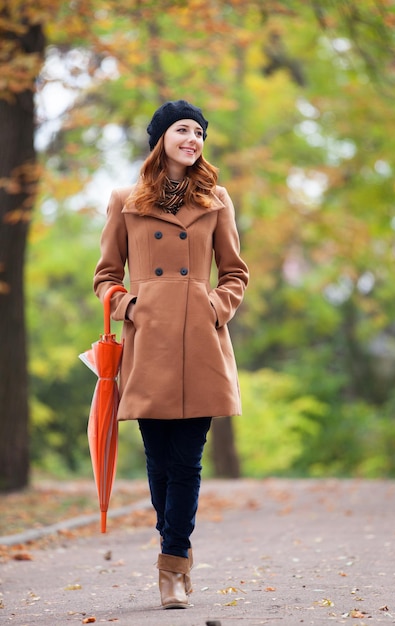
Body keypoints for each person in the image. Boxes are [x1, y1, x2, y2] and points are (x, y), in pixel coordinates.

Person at [93, 100, 249, 609]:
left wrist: (214, 308)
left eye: (200, 132)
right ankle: (173, 543)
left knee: (186, 461)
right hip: (148, 344)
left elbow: (235, 272)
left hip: (202, 343)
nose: (193, 138)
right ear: (160, 137)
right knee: (159, 461)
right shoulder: (125, 200)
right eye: (183, 129)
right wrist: (129, 304)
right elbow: (104, 275)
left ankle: (172, 566)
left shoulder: (217, 199)